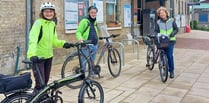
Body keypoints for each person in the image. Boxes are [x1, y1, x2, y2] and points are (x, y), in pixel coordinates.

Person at [27, 2, 72, 92]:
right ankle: (34, 99)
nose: (49, 13)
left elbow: (54, 41)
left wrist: (64, 43)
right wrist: (32, 54)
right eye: (46, 11)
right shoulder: (38, 23)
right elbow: (33, 40)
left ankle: (43, 99)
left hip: (48, 57)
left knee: (45, 83)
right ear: (42, 13)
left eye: (51, 11)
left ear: (54, 13)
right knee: (40, 84)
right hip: (38, 58)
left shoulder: (52, 25)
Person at [155, 6, 178, 79]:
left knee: (170, 56)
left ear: (166, 13)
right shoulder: (158, 22)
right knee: (162, 55)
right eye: (160, 13)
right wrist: (156, 35)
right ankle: (164, 68)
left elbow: (176, 29)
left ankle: (171, 71)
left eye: (163, 13)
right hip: (162, 41)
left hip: (170, 41)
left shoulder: (171, 20)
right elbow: (156, 31)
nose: (162, 14)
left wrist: (173, 34)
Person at [76, 6, 99, 75]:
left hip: (94, 44)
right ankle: (82, 76)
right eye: (92, 12)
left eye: (95, 12)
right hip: (86, 45)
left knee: (92, 62)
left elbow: (94, 31)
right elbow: (78, 32)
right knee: (84, 62)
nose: (93, 14)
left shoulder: (95, 21)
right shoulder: (84, 21)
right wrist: (80, 39)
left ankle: (91, 77)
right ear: (89, 13)